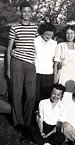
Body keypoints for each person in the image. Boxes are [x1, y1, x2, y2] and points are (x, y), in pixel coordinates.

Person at [7, 1, 38, 131]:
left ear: (31, 13)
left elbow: (40, 46)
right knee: (17, 94)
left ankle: (27, 122)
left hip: (30, 63)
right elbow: (9, 49)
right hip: (17, 62)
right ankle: (17, 123)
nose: (26, 14)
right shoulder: (14, 28)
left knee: (31, 95)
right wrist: (8, 68)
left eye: (28, 12)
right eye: (24, 11)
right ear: (20, 12)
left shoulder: (35, 28)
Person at [34, 22, 57, 108]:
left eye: (51, 35)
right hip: (36, 72)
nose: (49, 37)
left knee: (46, 98)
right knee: (35, 97)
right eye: (47, 34)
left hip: (48, 74)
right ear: (42, 32)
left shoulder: (54, 43)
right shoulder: (35, 41)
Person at [54, 25, 75, 92]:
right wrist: (55, 77)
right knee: (63, 92)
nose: (69, 35)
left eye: (71, 33)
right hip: (63, 73)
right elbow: (56, 63)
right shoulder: (60, 45)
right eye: (67, 33)